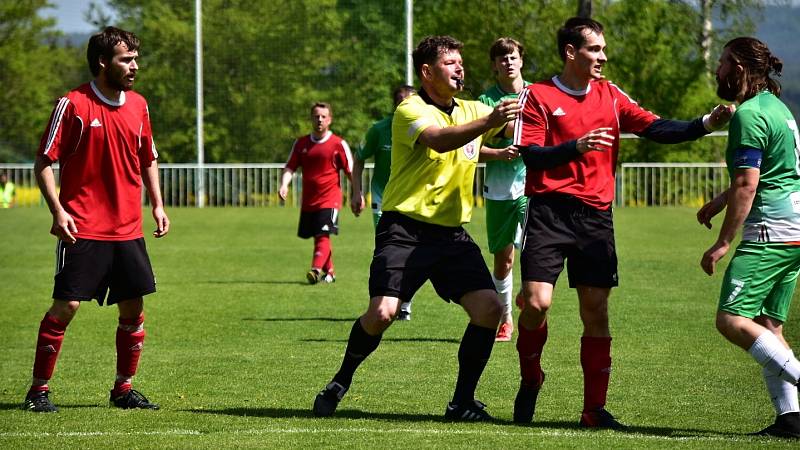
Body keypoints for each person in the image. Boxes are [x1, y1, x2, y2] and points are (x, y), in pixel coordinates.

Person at [512, 17, 734, 428]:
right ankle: (531, 377)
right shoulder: (538, 96)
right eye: (595, 49)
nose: (603, 56)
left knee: (595, 312)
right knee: (537, 303)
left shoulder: (610, 95)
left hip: (595, 217)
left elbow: (656, 128)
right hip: (549, 211)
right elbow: (531, 155)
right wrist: (574, 147)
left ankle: (593, 411)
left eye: (603, 49)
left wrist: (705, 124)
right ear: (570, 52)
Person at [311, 35, 522, 421]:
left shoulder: (474, 108)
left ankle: (461, 403)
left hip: (452, 234)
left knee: (490, 309)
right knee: (382, 314)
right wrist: (490, 122)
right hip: (404, 230)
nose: (460, 68)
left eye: (461, 61)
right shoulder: (409, 109)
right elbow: (439, 141)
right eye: (450, 63)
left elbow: (516, 122)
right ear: (427, 73)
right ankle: (341, 380)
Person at [22, 26, 169, 413]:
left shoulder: (139, 105)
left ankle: (123, 389)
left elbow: (148, 158)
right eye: (126, 59)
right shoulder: (72, 104)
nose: (134, 66)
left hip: (127, 230)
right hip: (82, 226)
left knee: (133, 309)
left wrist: (157, 204)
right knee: (66, 307)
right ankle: (38, 391)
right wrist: (58, 209)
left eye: (136, 58)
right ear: (103, 62)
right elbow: (44, 162)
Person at [698, 37, 800, 439]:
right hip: (794, 229)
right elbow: (771, 172)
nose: (718, 70)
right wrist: (721, 201)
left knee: (730, 319)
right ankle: (791, 419)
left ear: (739, 69)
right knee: (768, 325)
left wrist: (723, 242)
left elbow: (747, 183)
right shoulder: (778, 109)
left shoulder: (749, 115)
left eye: (722, 62)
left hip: (769, 233)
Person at [478, 37, 530, 342]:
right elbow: (470, 148)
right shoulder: (486, 102)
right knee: (504, 260)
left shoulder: (538, 95)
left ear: (521, 60)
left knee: (539, 246)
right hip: (499, 188)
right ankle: (506, 318)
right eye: (501, 58)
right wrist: (499, 151)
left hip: (533, 185)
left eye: (512, 57)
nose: (508, 62)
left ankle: (531, 290)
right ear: (494, 65)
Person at [351, 85, 416, 320]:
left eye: (408, 100)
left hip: (412, 200)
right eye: (399, 100)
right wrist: (356, 192)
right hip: (383, 199)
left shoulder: (425, 127)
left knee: (412, 252)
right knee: (387, 251)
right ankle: (384, 302)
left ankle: (404, 302)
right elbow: (358, 160)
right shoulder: (379, 130)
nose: (403, 104)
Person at [279, 102, 353, 284]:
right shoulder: (302, 143)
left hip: (330, 199)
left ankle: (315, 269)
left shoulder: (338, 144)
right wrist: (284, 185)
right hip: (309, 201)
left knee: (322, 234)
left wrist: (357, 194)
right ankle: (330, 272)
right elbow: (290, 167)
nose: (319, 119)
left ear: (330, 119)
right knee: (319, 236)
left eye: (323, 116)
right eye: (316, 116)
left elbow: (351, 171)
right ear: (311, 118)